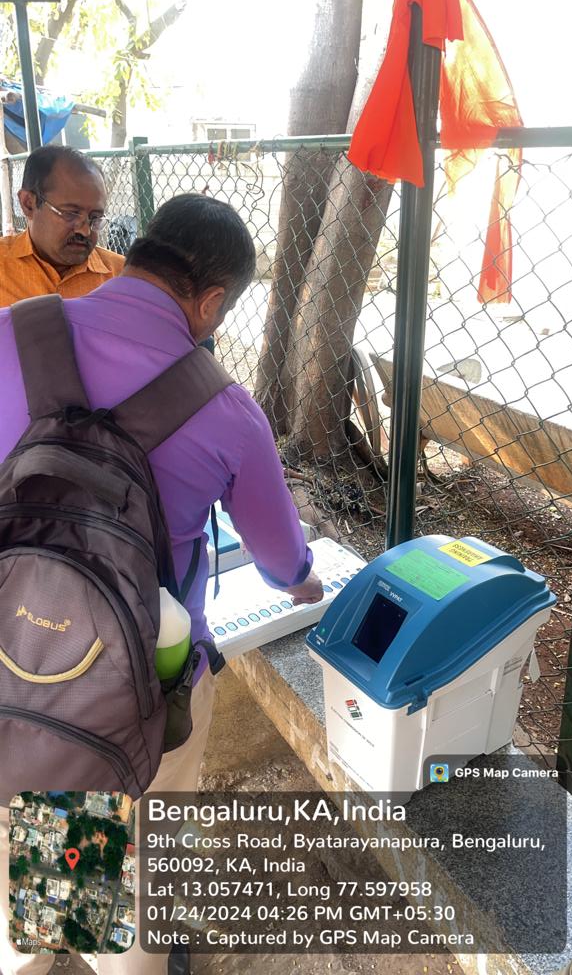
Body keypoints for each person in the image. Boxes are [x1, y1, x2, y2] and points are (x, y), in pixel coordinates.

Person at [0, 192, 323, 975]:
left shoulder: (15, 333)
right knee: (141, 855)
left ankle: (49, 926)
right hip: (147, 677)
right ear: (210, 299)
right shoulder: (227, 409)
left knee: (49, 819)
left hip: (12, 646)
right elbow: (281, 560)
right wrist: (306, 586)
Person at [0, 144, 124, 307]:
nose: (85, 230)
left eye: (95, 217)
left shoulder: (122, 277)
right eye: (70, 213)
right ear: (28, 204)